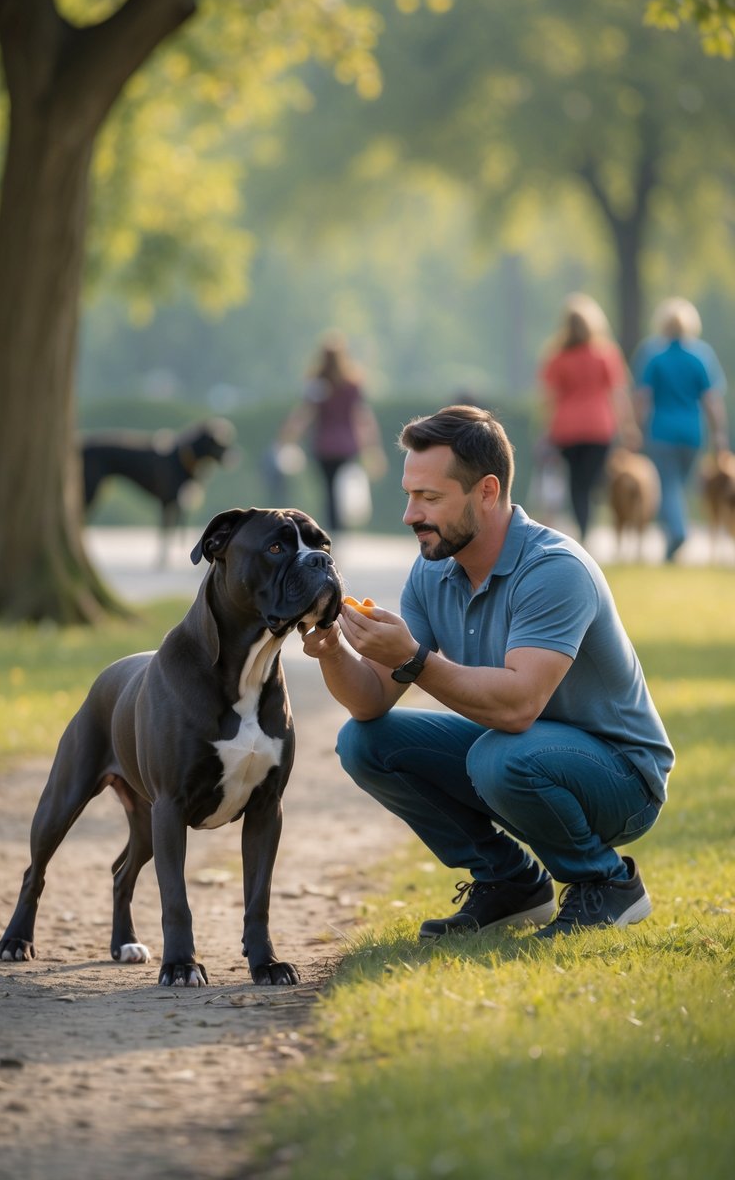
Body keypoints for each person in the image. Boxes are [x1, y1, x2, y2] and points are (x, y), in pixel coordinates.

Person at [300, 405, 673, 940]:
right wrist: (335, 647)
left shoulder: (553, 569)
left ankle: (607, 884)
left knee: (499, 755)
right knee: (365, 742)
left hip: (621, 778)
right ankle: (509, 883)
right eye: (409, 495)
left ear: (488, 492)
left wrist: (413, 659)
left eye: (429, 498)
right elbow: (370, 702)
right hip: (523, 753)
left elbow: (519, 706)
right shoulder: (433, 570)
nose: (410, 514)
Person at [632, 298, 729, 562]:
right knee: (676, 485)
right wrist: (719, 433)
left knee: (667, 485)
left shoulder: (653, 354)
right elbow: (711, 399)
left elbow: (643, 396)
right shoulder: (701, 355)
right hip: (691, 433)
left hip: (661, 431)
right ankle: (674, 534)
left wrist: (635, 428)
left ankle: (677, 531)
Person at [538, 294, 640, 542]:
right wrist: (628, 426)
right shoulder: (605, 353)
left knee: (577, 483)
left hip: (567, 429)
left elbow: (548, 398)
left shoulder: (556, 356)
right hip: (599, 428)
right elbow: (618, 393)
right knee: (593, 480)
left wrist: (546, 430)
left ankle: (583, 529)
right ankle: (588, 525)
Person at [279, 335, 386, 531]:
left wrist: (287, 438)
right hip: (347, 446)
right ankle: (340, 529)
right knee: (342, 490)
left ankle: (332, 530)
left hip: (324, 447)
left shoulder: (317, 384)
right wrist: (373, 449)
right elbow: (362, 418)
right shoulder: (352, 385)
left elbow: (304, 414)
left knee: (329, 491)